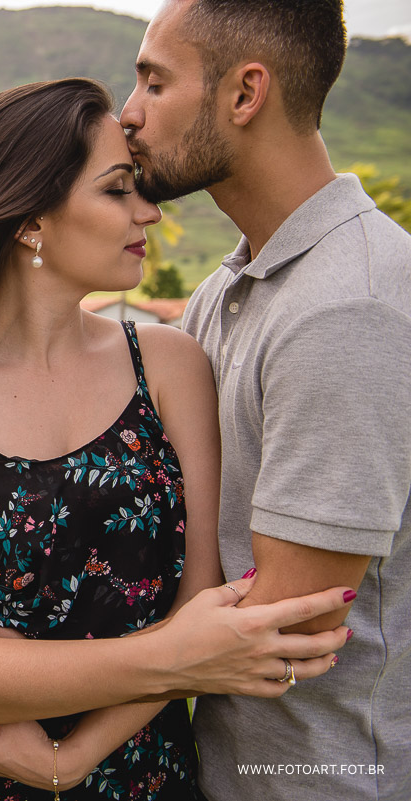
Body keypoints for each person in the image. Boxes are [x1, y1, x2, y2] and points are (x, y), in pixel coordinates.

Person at [0, 78, 352, 800]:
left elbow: (199, 600)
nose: (150, 211)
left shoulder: (168, 366)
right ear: (28, 219)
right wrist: (177, 657)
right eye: (116, 190)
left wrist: (70, 757)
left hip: (142, 767)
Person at [115, 1, 411, 798]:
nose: (128, 113)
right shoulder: (227, 291)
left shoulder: (350, 307)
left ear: (245, 94)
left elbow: (284, 626)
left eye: (154, 82)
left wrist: (55, 732)